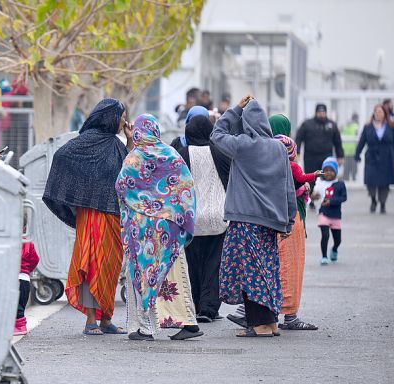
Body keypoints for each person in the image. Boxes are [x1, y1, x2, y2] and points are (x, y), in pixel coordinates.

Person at [42, 99, 130, 335]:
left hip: (113, 215)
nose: (124, 121)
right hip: (91, 216)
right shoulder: (83, 143)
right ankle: (91, 320)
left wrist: (131, 141)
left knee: (110, 267)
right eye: (122, 116)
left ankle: (106, 320)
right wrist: (78, 195)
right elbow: (61, 157)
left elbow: (131, 170)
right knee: (91, 263)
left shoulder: (117, 145)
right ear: (111, 117)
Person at [211, 95, 296, 338]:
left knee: (250, 273)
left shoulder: (242, 145)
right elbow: (287, 185)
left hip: (245, 220)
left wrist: (235, 109)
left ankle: (258, 326)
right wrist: (289, 219)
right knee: (267, 269)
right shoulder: (279, 149)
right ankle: (270, 323)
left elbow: (216, 134)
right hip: (271, 221)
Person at [117, 114, 202, 341]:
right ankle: (189, 322)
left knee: (143, 274)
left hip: (144, 231)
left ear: (137, 133)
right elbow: (187, 188)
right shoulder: (171, 155)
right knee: (175, 274)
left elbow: (121, 187)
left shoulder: (134, 159)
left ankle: (146, 328)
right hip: (170, 230)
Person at [175, 113, 231, 323]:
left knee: (192, 263)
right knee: (213, 264)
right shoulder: (219, 151)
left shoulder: (182, 153)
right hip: (218, 217)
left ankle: (196, 304)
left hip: (192, 218)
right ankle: (209, 308)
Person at [275, 133, 319, 331]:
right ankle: (289, 315)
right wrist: (305, 186)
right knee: (290, 264)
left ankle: (260, 313)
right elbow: (298, 181)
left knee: (271, 264)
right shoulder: (290, 165)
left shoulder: (261, 159)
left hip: (267, 218)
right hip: (289, 219)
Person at [355, 104, 394, 214]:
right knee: (370, 181)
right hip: (372, 157)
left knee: (384, 183)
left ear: (385, 113)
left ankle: (383, 204)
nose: (378, 113)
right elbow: (362, 141)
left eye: (380, 112)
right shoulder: (368, 126)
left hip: (387, 158)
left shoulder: (391, 126)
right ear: (374, 113)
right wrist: (357, 154)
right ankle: (373, 200)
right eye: (376, 111)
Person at [314, 157, 348, 264]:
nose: (328, 173)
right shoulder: (319, 183)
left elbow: (344, 198)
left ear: (336, 172)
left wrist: (331, 201)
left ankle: (334, 249)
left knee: (338, 239)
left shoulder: (340, 185)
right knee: (325, 236)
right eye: (326, 170)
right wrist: (313, 196)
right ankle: (324, 256)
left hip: (335, 215)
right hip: (323, 213)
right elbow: (313, 196)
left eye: (331, 170)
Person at [295, 104, 345, 173]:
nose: (321, 114)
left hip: (327, 157)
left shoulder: (332, 125)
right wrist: (297, 153)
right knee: (311, 179)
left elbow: (338, 142)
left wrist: (340, 156)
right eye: (319, 112)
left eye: (323, 112)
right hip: (310, 158)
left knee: (327, 178)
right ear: (316, 113)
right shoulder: (307, 124)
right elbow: (299, 138)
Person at [15, 231, 39, 336]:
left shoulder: (6, 242)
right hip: (24, 279)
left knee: (14, 306)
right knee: (20, 305)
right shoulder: (28, 242)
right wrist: (27, 270)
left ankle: (20, 327)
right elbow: (35, 259)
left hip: (12, 279)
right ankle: (19, 326)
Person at [342, 113, 361, 181]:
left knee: (347, 165)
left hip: (346, 149)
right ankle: (353, 177)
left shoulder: (346, 125)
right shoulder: (356, 126)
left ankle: (346, 177)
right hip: (353, 150)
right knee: (354, 165)